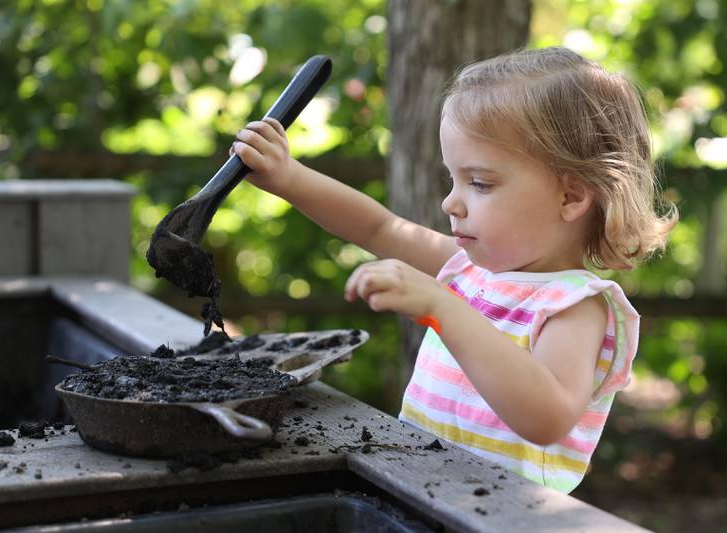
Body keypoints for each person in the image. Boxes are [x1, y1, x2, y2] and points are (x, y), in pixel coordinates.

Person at [230, 46, 678, 493]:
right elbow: (379, 227)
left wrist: (443, 307)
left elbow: (548, 416)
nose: (450, 202)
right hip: (421, 490)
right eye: (453, 179)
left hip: (504, 518)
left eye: (479, 183)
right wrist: (289, 178)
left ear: (570, 197)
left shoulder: (576, 306)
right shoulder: (468, 271)